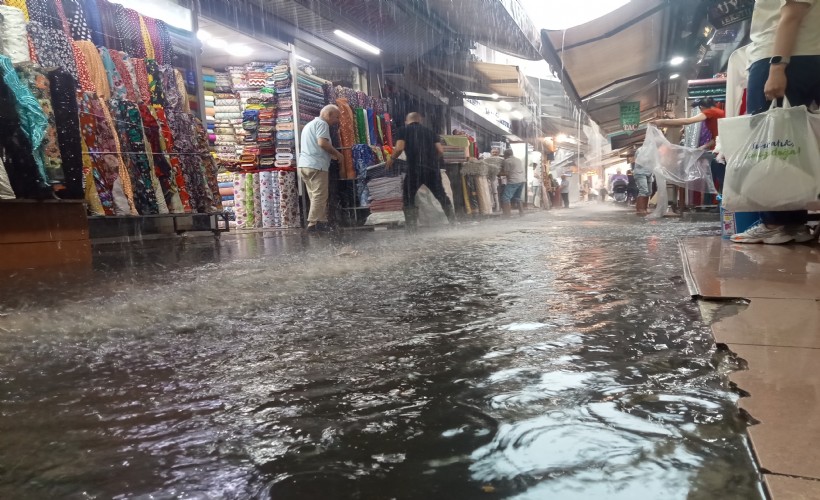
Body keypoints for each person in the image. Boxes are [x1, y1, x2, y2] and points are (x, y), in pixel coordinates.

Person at [731, 0, 819, 244]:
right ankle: (793, 223)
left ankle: (775, 222)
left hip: (783, 57)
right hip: (801, 56)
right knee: (796, 146)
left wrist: (777, 66)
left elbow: (791, 14)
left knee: (771, 145)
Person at [387, 112, 451, 228]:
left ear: (407, 121)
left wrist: (391, 159)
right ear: (419, 120)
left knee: (408, 197)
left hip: (414, 169)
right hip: (432, 169)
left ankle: (411, 229)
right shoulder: (430, 132)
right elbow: (440, 151)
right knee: (441, 195)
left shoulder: (403, 130)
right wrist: (431, 161)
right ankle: (454, 222)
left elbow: (399, 148)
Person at [298, 105, 343, 232]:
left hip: (305, 164)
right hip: (317, 165)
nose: (337, 120)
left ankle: (320, 222)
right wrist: (337, 154)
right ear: (328, 114)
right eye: (336, 116)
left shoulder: (309, 125)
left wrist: (329, 155)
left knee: (314, 195)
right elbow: (322, 143)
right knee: (320, 195)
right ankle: (313, 224)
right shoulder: (322, 124)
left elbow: (314, 145)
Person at [499, 149, 526, 217]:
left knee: (505, 197)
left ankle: (507, 215)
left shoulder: (507, 161)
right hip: (522, 180)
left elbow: (506, 173)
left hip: (514, 181)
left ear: (506, 155)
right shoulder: (518, 160)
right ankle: (521, 213)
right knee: (517, 197)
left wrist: (498, 173)